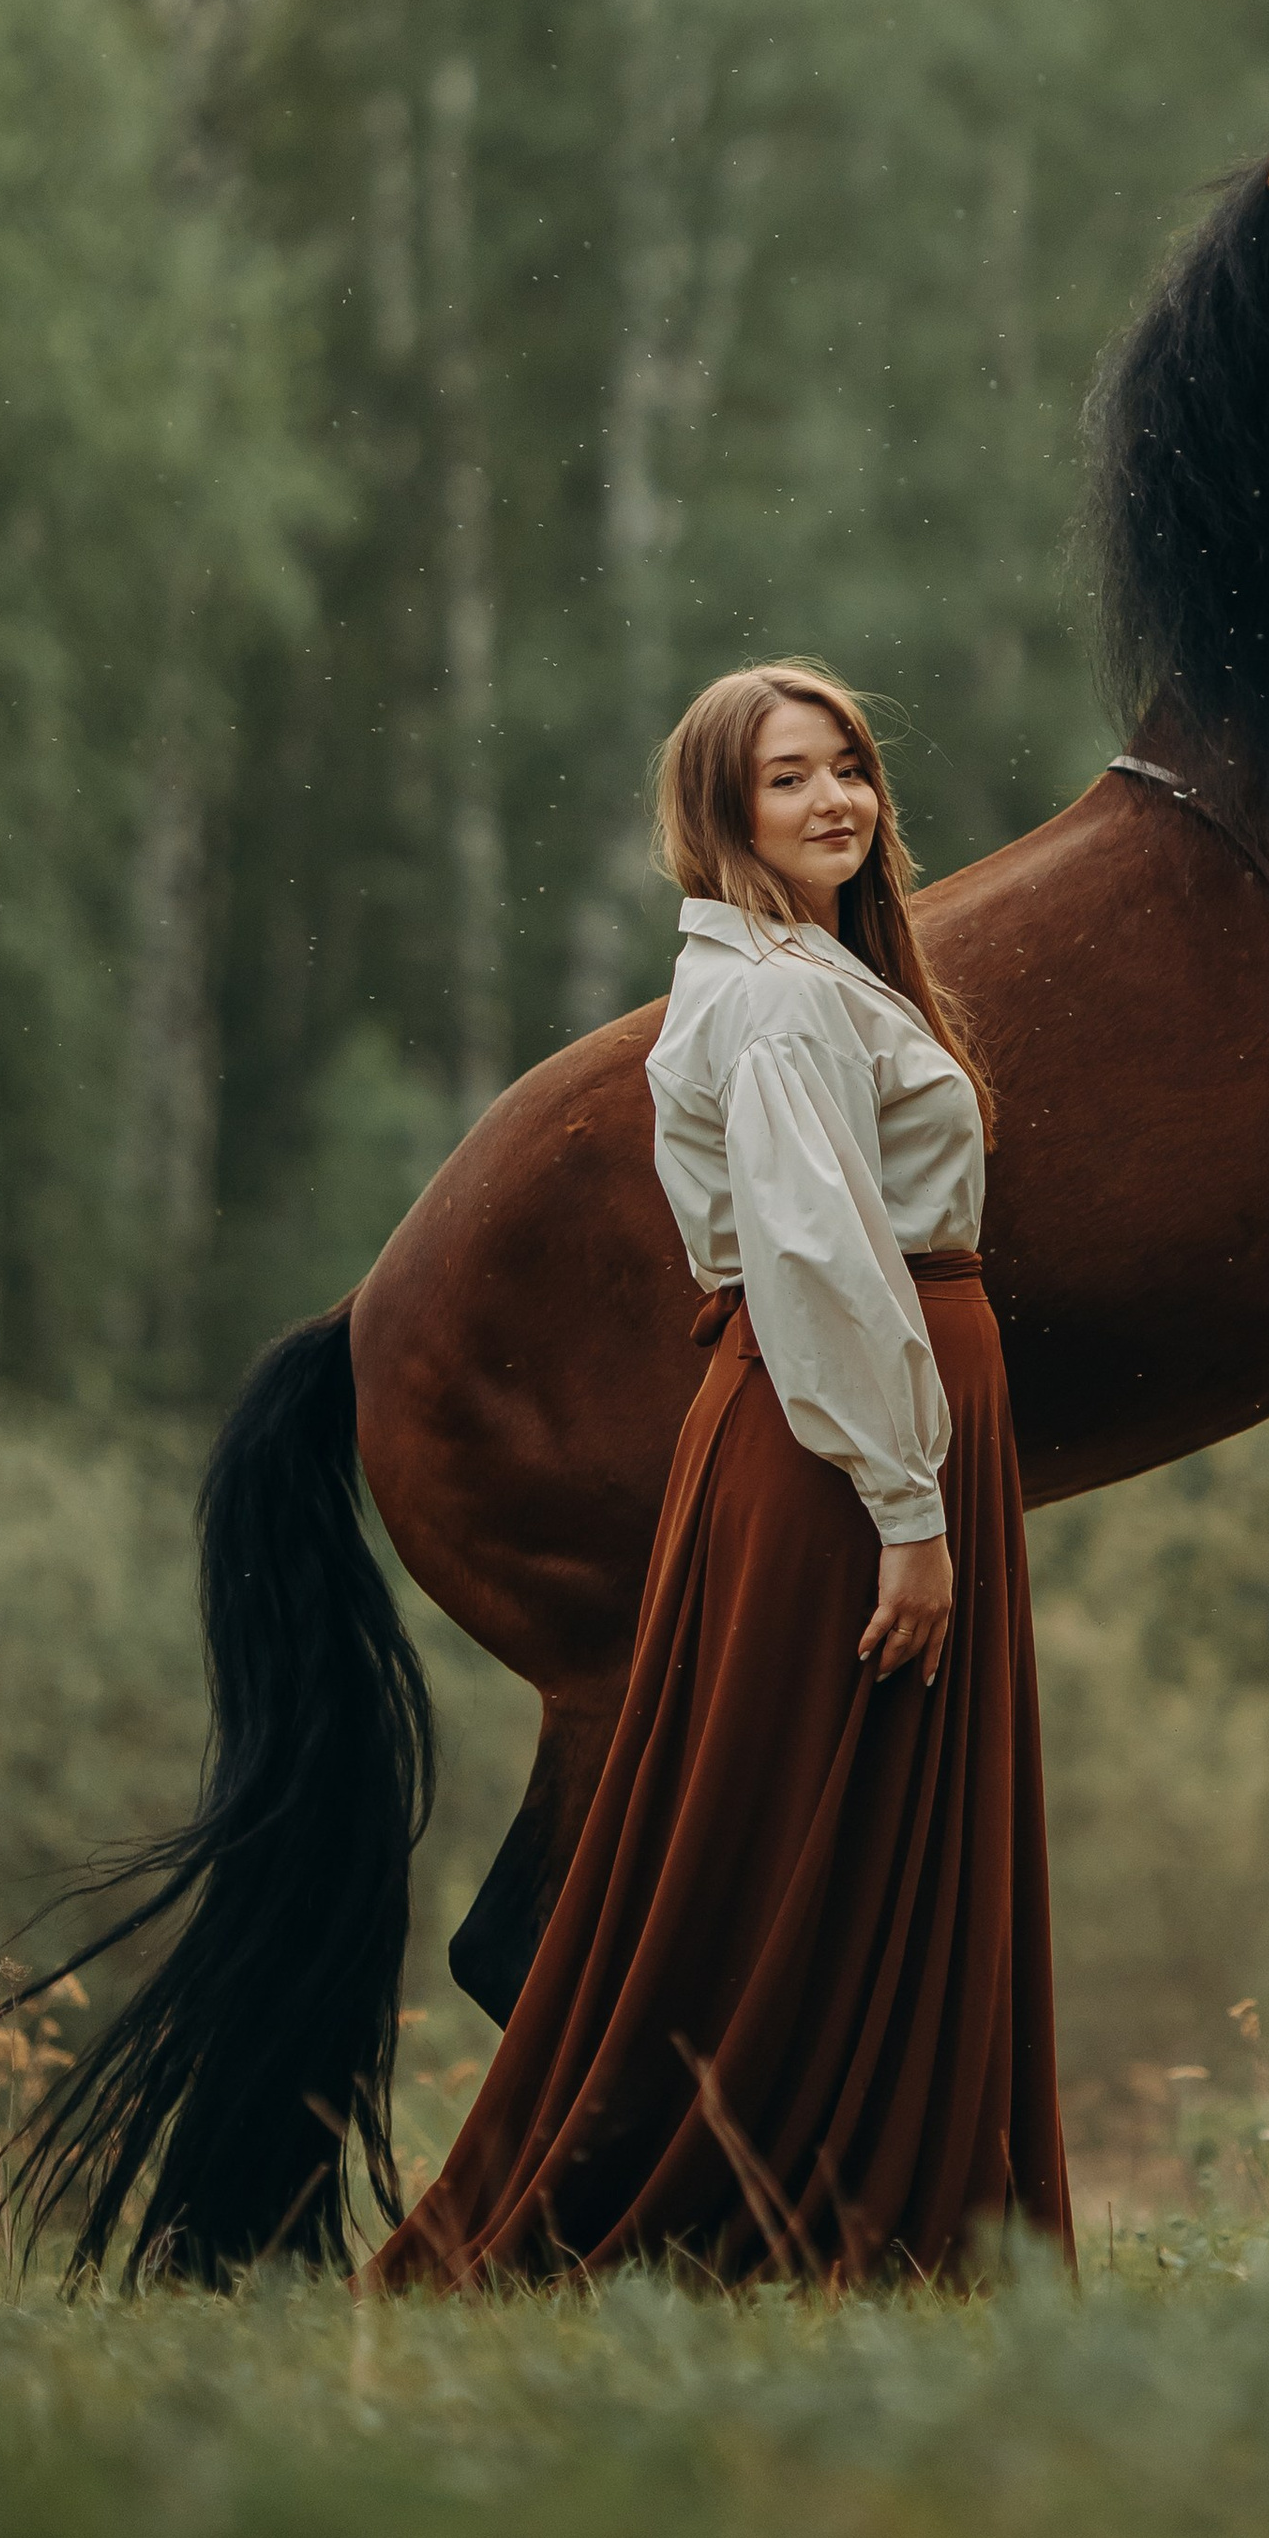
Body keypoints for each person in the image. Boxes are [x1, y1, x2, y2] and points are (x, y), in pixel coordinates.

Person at [372, 659, 1068, 2290]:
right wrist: (908, 1514)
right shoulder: (776, 1003)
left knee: (843, 1815)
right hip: (844, 1441)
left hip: (868, 1417)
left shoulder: (809, 970)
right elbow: (819, 1266)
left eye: (849, 766)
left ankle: (849, 2202)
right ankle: (762, 2205)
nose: (837, 800)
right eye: (788, 778)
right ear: (719, 811)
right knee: (799, 1825)